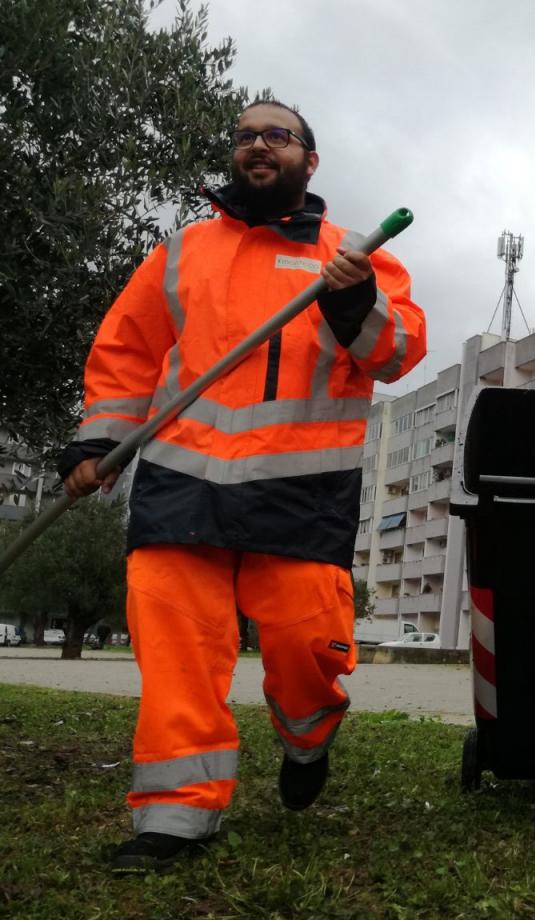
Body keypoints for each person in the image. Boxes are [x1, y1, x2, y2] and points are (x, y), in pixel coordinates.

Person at [58, 99, 427, 872]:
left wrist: (352, 296)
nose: (259, 145)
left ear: (309, 160)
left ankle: (307, 735)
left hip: (300, 492)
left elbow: (396, 352)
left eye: (278, 135)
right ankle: (175, 818)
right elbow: (126, 354)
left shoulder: (353, 255)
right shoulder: (182, 253)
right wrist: (98, 443)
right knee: (177, 654)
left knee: (304, 650)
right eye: (247, 136)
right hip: (179, 487)